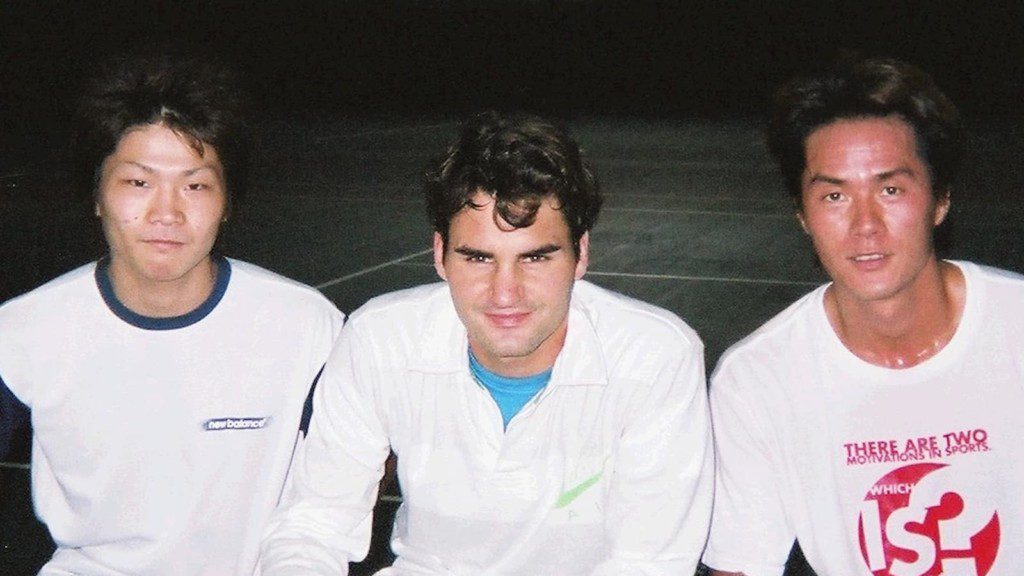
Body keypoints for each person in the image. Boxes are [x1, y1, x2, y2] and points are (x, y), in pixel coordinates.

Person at [258, 111, 713, 575]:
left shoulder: (654, 357)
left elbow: (649, 563)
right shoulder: (379, 339)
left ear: (581, 256)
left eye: (535, 257)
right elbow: (313, 525)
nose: (505, 292)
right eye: (478, 258)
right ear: (439, 254)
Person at [0, 55, 343, 575]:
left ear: (227, 201)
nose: (167, 213)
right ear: (97, 195)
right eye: (138, 183)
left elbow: (348, 483)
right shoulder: (23, 333)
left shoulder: (306, 326)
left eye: (197, 185)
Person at [703, 57, 1024, 576]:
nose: (865, 225)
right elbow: (739, 565)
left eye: (890, 189)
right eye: (834, 195)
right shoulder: (757, 381)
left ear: (940, 199)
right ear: (802, 216)